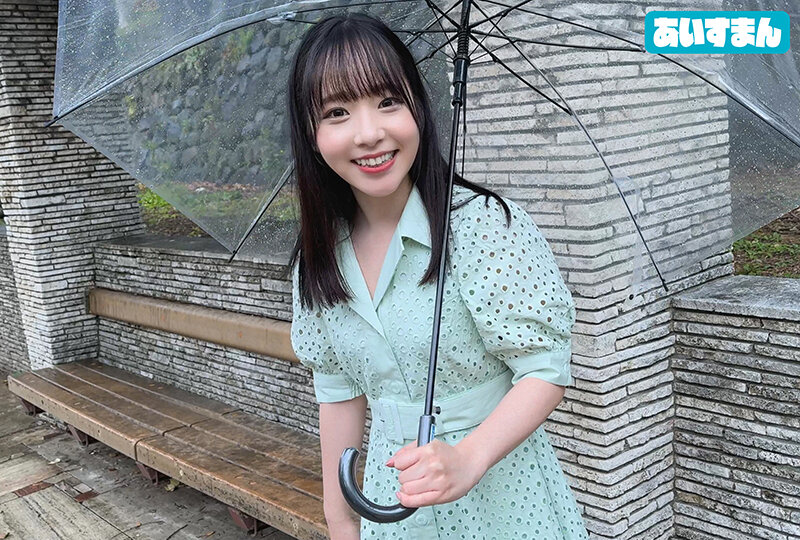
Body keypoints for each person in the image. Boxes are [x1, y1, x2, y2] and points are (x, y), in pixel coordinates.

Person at [286, 13, 589, 540]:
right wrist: (341, 521)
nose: (369, 133)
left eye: (388, 101)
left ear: (418, 110)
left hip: (506, 499)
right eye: (337, 112)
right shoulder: (319, 258)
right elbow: (337, 392)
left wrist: (469, 458)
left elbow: (545, 366)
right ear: (311, 135)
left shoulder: (483, 226)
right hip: (392, 502)